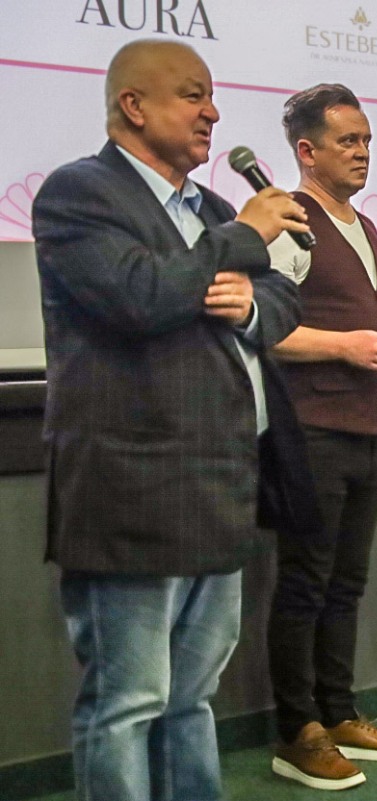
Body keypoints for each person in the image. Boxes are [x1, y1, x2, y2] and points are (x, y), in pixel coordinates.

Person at [32, 40, 315, 801]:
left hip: (219, 486)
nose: (213, 112)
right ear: (134, 106)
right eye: (193, 95)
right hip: (132, 494)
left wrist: (250, 302)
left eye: (211, 96)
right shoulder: (79, 194)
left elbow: (282, 298)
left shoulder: (213, 210)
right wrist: (241, 239)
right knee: (127, 703)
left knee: (192, 698)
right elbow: (138, 296)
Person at [265, 84, 377, 790]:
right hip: (311, 430)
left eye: (367, 140)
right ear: (307, 151)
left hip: (368, 426)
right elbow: (264, 329)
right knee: (305, 583)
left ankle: (338, 712)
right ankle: (296, 730)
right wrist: (344, 345)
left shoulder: (363, 224)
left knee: (347, 582)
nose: (364, 152)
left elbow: (349, 317)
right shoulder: (285, 221)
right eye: (348, 141)